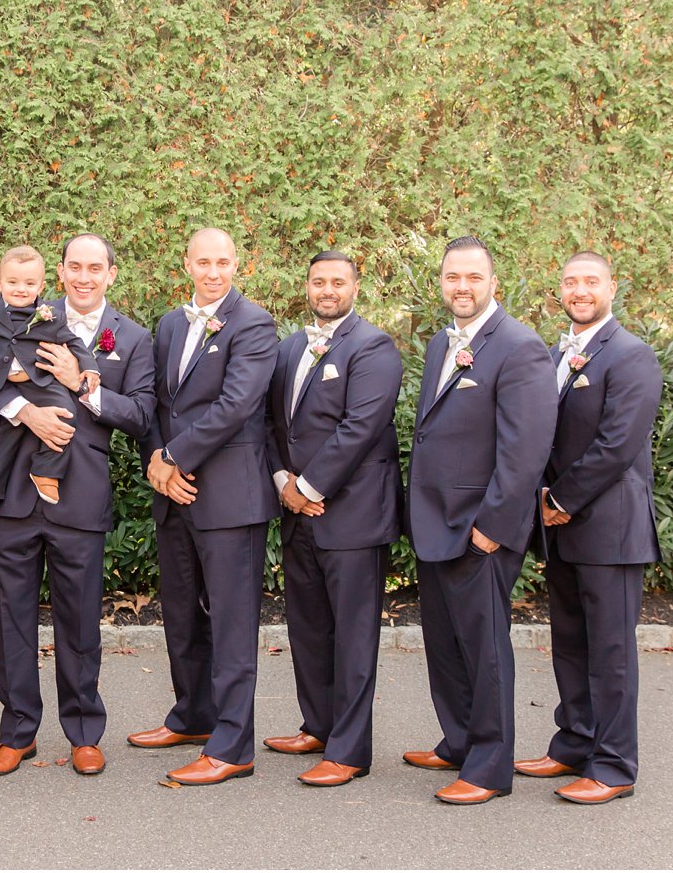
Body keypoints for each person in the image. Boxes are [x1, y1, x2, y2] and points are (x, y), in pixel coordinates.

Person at [0, 233, 156, 777]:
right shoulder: (22, 314)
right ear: (61, 272)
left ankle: (83, 731)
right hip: (11, 495)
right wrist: (24, 412)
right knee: (8, 618)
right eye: (74, 266)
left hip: (80, 494)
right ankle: (18, 731)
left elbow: (141, 415)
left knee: (79, 623)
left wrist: (83, 386)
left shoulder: (133, 338)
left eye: (94, 268)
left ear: (111, 274)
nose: (84, 276)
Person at [402, 235, 557, 804]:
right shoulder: (445, 341)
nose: (461, 287)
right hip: (435, 519)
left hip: (480, 526)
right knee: (446, 642)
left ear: (494, 282)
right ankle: (460, 739)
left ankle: (489, 767)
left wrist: (494, 522)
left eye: (472, 278)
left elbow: (526, 448)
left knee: (484, 647)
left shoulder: (519, 346)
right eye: (451, 278)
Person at [131, 227, 279, 786]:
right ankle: (192, 715)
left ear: (237, 264)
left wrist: (172, 455)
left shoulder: (254, 323)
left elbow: (237, 404)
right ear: (187, 264)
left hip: (230, 497)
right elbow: (153, 404)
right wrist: (156, 460)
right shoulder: (170, 324)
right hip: (175, 493)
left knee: (233, 622)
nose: (212, 271)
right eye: (203, 262)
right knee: (182, 615)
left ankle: (233, 745)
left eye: (222, 262)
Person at [514, 251, 662, 805]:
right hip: (562, 524)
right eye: (571, 282)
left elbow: (618, 444)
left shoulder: (631, 355)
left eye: (590, 282)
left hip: (610, 529)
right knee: (570, 644)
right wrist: (542, 502)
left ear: (612, 288)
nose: (580, 290)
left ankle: (615, 766)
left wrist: (562, 499)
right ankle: (574, 743)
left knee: (611, 651)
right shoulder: (557, 353)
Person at [263, 250, 403, 787]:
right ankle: (317, 725)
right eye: (318, 281)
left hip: (353, 515)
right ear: (307, 285)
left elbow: (361, 427)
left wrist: (308, 486)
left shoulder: (373, 347)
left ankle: (349, 750)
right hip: (298, 509)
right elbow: (274, 423)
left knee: (352, 634)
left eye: (338, 282)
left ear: (355, 287)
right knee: (309, 627)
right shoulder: (291, 345)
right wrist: (283, 483)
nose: (327, 290)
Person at [0, 244, 100, 525]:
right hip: (1, 384)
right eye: (13, 282)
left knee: (65, 415)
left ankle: (46, 471)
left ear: (42, 285)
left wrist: (90, 368)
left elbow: (73, 341)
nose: (21, 289)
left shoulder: (50, 314)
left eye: (29, 283)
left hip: (40, 382)